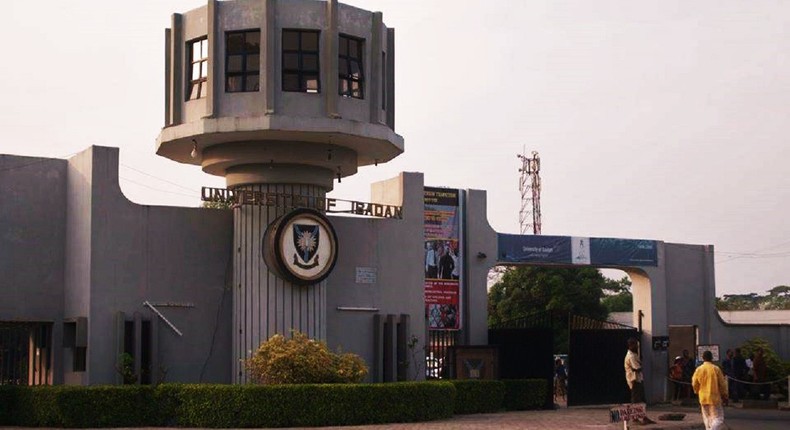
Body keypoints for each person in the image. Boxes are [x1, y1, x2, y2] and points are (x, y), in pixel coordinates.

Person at [692, 350, 728, 430]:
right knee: (718, 418)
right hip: (714, 398)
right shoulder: (716, 369)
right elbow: (722, 384)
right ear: (712, 358)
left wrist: (697, 391)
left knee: (707, 418)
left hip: (703, 397)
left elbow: (694, 383)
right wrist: (724, 394)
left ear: (703, 358)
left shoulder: (699, 369)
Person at [623, 337, 656, 425]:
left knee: (641, 400)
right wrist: (640, 366)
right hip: (634, 380)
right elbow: (637, 368)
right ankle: (635, 418)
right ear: (632, 345)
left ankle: (643, 417)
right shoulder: (631, 356)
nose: (637, 347)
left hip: (638, 379)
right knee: (636, 400)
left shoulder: (634, 355)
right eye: (636, 345)